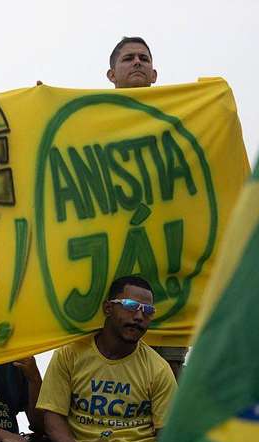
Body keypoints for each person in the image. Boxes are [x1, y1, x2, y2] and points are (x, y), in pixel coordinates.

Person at [37, 275, 177, 442]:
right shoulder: (70, 354)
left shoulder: (158, 368)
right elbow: (52, 414)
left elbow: (167, 436)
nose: (139, 317)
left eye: (148, 311)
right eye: (131, 306)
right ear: (108, 308)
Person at [107, 37, 187, 378]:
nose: (137, 62)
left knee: (167, 387)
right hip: (110, 279)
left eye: (143, 58)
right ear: (111, 74)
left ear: (154, 73)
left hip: (169, 288)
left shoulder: (181, 120)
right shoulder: (92, 121)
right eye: (128, 58)